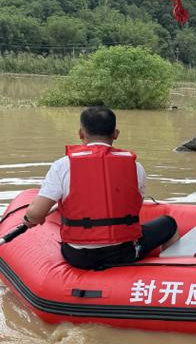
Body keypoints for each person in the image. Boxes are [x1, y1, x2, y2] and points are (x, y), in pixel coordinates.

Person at [23, 106, 178, 270]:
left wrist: (29, 220)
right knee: (169, 224)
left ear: (81, 134)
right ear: (116, 133)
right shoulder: (135, 167)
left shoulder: (63, 165)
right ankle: (172, 273)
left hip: (77, 256)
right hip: (123, 253)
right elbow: (134, 206)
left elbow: (35, 214)